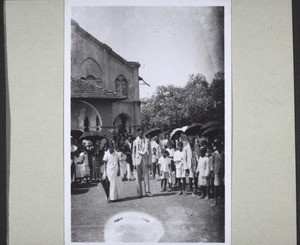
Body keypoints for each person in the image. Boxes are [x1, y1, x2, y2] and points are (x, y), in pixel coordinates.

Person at [132, 128, 152, 197]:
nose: (140, 134)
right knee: (138, 178)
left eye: (141, 133)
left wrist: (149, 162)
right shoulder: (135, 141)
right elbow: (133, 153)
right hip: (137, 160)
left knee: (146, 177)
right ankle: (139, 193)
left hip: (145, 160)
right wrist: (134, 163)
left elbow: (150, 152)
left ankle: (148, 192)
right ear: (137, 133)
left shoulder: (147, 141)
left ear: (143, 133)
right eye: (139, 133)